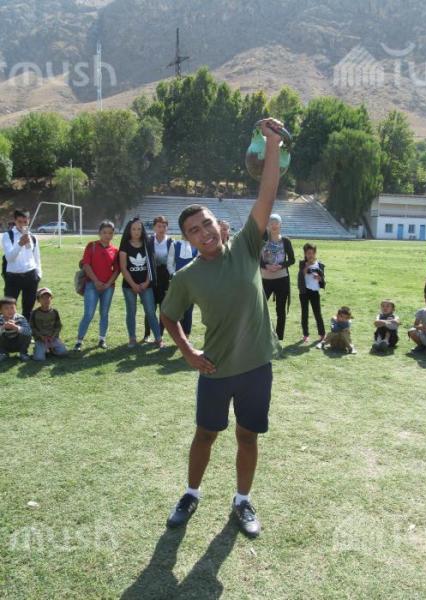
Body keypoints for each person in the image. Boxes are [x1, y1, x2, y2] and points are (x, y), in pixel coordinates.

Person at [160, 118, 283, 539]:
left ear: (218, 223)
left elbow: (267, 193)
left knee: (248, 437)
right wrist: (188, 352)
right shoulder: (187, 276)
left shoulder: (246, 245)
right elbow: (168, 316)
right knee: (206, 435)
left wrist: (271, 144)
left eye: (206, 224)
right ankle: (190, 493)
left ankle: (242, 501)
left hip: (256, 368)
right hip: (215, 369)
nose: (203, 233)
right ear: (188, 239)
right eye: (193, 231)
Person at [74, 221, 119, 351]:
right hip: (92, 285)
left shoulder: (115, 250)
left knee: (104, 313)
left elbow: (117, 270)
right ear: (99, 233)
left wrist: (108, 284)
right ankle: (79, 341)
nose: (107, 235)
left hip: (108, 287)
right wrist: (96, 281)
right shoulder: (91, 246)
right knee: (88, 314)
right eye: (104, 232)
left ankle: (102, 339)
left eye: (110, 233)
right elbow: (86, 265)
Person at [119, 217, 164, 349]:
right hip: (129, 286)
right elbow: (123, 267)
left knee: (150, 312)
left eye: (139, 229)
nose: (136, 232)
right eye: (134, 229)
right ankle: (132, 338)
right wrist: (133, 285)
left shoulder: (147, 243)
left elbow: (151, 264)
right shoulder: (125, 245)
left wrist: (146, 282)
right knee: (131, 312)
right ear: (129, 230)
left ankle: (158, 339)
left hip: (146, 285)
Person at [1, 209, 41, 322]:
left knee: (28, 308)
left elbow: (37, 257)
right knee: (8, 308)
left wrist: (38, 275)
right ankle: (8, 330)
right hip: (13, 277)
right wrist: (19, 244)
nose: (23, 224)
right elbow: (10, 258)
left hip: (31, 276)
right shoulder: (8, 236)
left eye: (25, 222)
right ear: (15, 221)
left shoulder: (32, 236)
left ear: (28, 220)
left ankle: (25, 331)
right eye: (19, 222)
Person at [260, 213, 295, 341]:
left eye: (276, 223)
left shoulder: (285, 241)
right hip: (265, 280)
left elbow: (292, 260)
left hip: (282, 279)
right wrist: (265, 265)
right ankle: (261, 333)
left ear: (280, 225)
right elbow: (255, 258)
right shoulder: (261, 240)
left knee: (280, 310)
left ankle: (279, 337)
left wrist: (281, 266)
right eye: (271, 223)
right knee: (260, 308)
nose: (274, 225)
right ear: (267, 225)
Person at [143, 216, 173, 342]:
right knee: (150, 308)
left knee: (163, 308)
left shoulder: (171, 242)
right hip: (151, 277)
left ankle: (159, 335)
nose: (162, 229)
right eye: (159, 226)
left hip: (165, 278)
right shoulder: (149, 241)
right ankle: (147, 334)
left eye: (164, 226)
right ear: (154, 227)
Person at [167, 236, 198, 338]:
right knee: (178, 310)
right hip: (177, 282)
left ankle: (187, 335)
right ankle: (179, 336)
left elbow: (199, 263)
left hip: (191, 283)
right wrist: (174, 275)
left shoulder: (197, 244)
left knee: (189, 310)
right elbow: (170, 263)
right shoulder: (175, 244)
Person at [298, 243, 326, 343]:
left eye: (312, 253)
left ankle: (322, 334)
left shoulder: (319, 265)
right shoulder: (302, 263)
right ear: (305, 254)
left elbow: (323, 279)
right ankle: (305, 335)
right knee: (304, 313)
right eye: (308, 253)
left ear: (315, 253)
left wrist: (319, 278)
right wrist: (307, 266)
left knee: (317, 313)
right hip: (304, 292)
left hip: (315, 292)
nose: (310, 255)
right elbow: (302, 274)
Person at [30, 287, 68, 361]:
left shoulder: (54, 312)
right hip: (40, 339)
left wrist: (53, 336)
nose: (46, 300)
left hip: (53, 338)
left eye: (48, 297)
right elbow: (32, 327)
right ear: (38, 300)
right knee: (39, 358)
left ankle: (51, 349)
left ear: (51, 298)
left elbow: (58, 326)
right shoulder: (34, 313)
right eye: (43, 298)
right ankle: (38, 349)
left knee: (63, 353)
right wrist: (41, 336)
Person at [0, 296, 32, 361]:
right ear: (0, 310)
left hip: (18, 343)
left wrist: (16, 327)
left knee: (26, 333)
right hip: (5, 343)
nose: (10, 310)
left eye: (12, 308)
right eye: (6, 308)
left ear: (16, 308)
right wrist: (3, 327)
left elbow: (29, 332)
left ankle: (23, 353)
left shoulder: (21, 318)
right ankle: (3, 353)